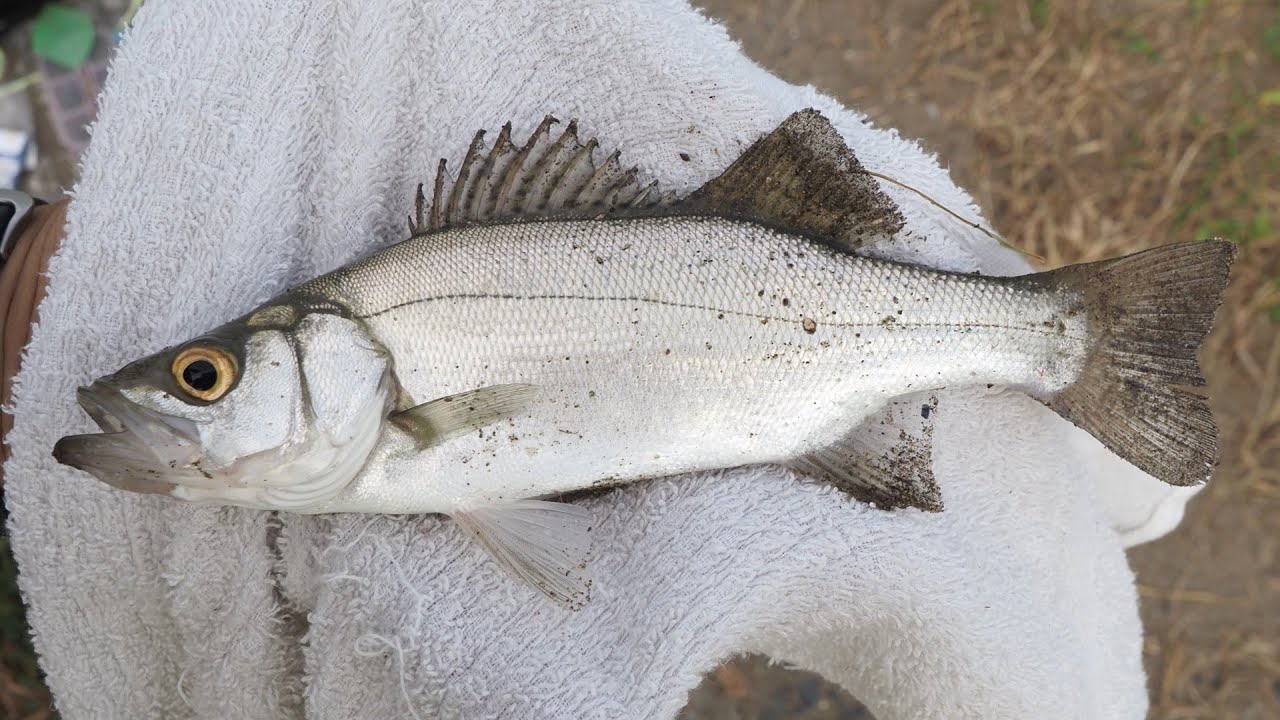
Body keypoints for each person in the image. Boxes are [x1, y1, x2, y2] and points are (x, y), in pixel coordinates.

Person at [1, 1, 1203, 717]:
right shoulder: (384, 397)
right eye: (198, 381)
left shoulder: (393, 384)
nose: (184, 389)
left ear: (330, 360)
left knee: (1052, 359)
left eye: (204, 377)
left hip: (811, 346)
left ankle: (1059, 338)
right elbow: (528, 527)